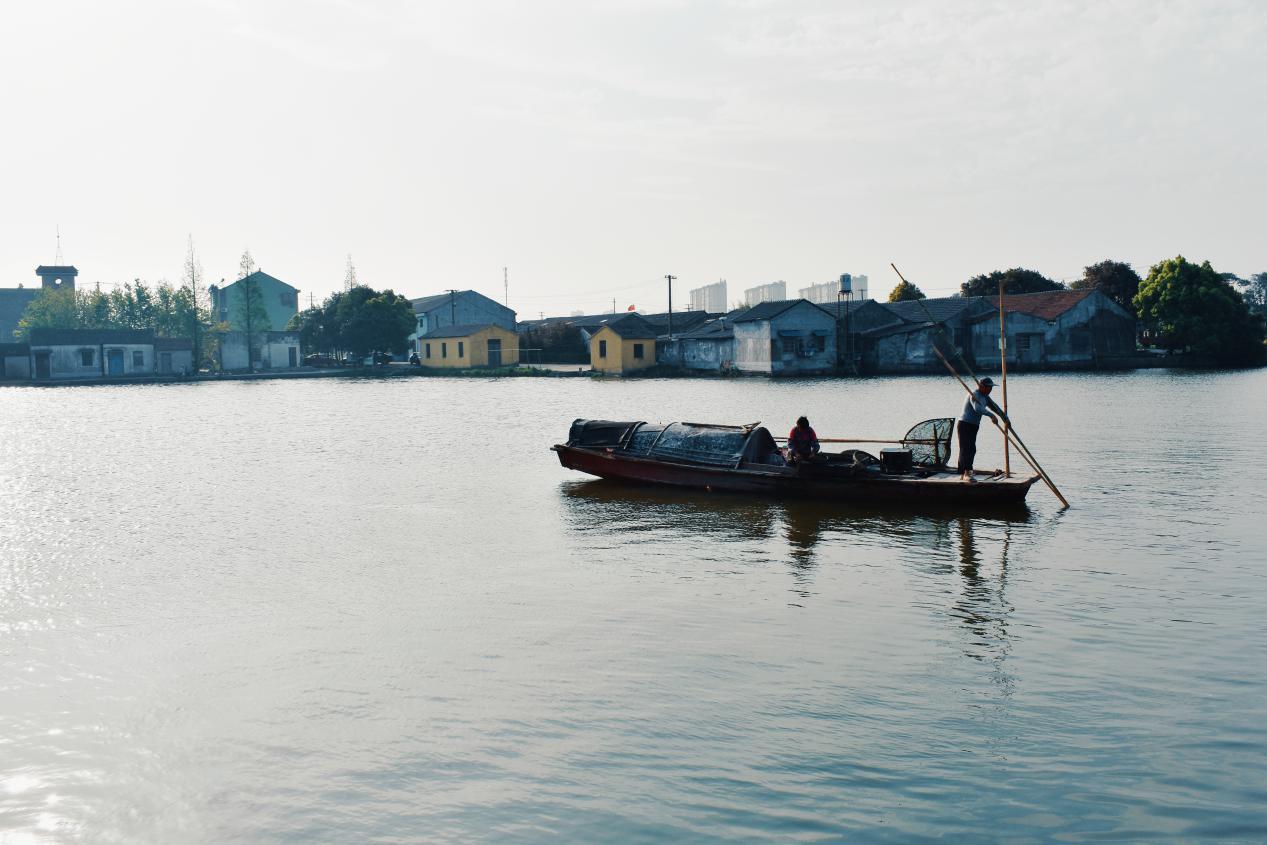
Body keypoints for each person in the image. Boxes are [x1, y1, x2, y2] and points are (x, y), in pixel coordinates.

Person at [957, 377, 1008, 483]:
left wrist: (1005, 418)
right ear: (982, 386)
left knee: (971, 449)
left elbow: (994, 407)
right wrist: (991, 415)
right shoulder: (975, 394)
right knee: (967, 448)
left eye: (991, 388)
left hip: (974, 426)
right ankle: (966, 473)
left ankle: (964, 473)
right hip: (965, 424)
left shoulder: (985, 396)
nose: (990, 390)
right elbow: (978, 408)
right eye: (988, 387)